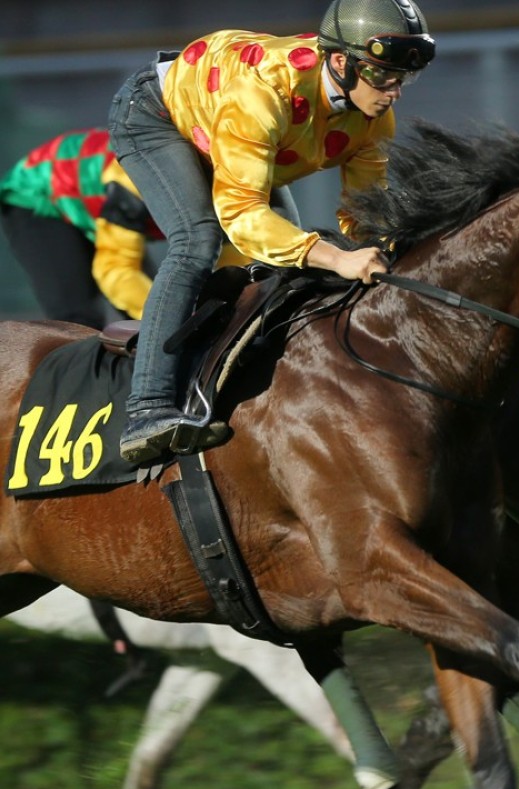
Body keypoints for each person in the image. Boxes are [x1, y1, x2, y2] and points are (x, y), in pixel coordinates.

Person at [109, 0, 436, 464]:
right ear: (340, 62)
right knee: (198, 240)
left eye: (403, 78)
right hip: (158, 117)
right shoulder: (262, 93)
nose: (394, 93)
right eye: (383, 76)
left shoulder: (374, 114)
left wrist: (390, 252)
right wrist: (339, 258)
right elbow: (242, 216)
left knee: (285, 253)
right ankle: (146, 410)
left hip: (228, 124)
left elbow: (365, 215)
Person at [0, 128, 159, 328]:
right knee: (77, 320)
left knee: (148, 305)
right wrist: (171, 322)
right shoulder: (136, 178)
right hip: (39, 194)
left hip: (98, 200)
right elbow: (117, 271)